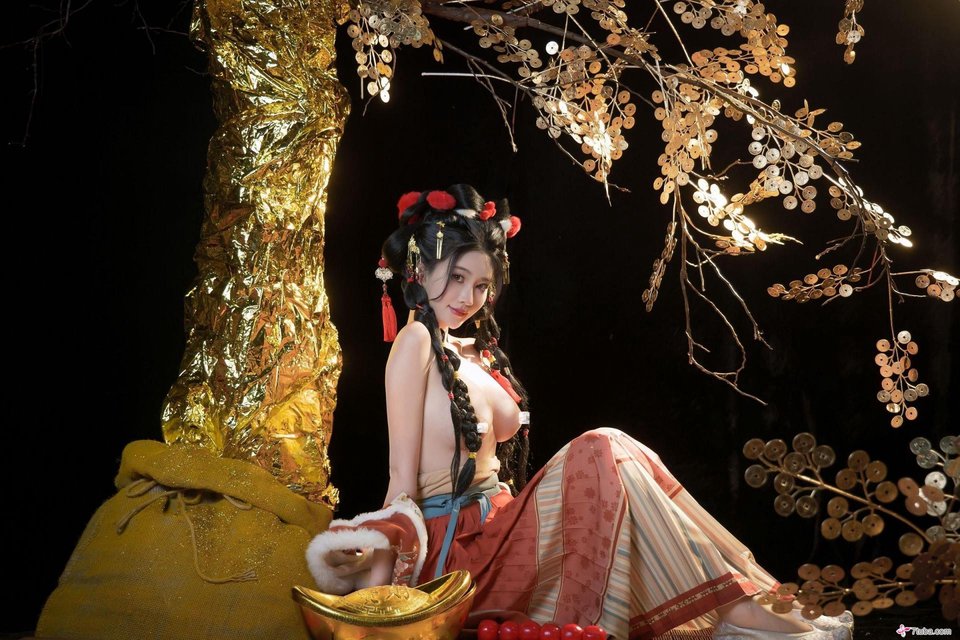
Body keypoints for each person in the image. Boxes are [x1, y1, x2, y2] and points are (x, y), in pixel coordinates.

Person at [306, 185, 853, 639]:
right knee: (603, 445)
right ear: (418, 268)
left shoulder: (471, 352)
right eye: (455, 278)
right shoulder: (415, 344)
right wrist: (379, 594)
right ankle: (738, 609)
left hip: (503, 527)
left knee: (621, 461)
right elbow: (401, 483)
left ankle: (738, 602)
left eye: (480, 285)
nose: (467, 298)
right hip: (461, 555)